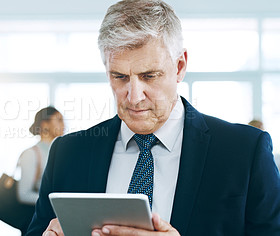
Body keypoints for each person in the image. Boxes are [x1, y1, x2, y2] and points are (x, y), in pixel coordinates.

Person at [26, 0, 280, 235]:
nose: (134, 97)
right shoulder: (68, 153)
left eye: (149, 76)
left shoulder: (244, 152)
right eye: (120, 77)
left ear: (179, 66)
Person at [16, 106, 64, 235]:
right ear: (45, 125)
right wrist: (56, 202)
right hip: (37, 222)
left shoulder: (60, 153)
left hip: (56, 221)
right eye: (58, 120)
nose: (63, 125)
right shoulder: (31, 154)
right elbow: (23, 194)